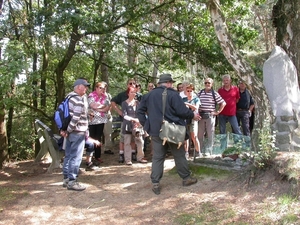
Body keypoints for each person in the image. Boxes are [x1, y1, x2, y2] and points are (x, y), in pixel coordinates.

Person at [137, 73, 200, 195]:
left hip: (155, 130)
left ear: (160, 83)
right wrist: (193, 115)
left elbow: (140, 112)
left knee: (157, 157)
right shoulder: (173, 94)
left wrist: (147, 125)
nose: (172, 85)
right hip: (173, 130)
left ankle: (155, 183)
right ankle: (186, 179)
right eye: (171, 83)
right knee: (179, 155)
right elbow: (182, 111)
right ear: (169, 83)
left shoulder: (148, 95)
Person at [61, 78, 90, 191]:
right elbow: (75, 118)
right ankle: (72, 181)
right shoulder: (78, 99)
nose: (86, 88)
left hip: (69, 132)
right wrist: (68, 130)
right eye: (85, 86)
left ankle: (66, 179)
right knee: (76, 157)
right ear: (79, 87)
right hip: (77, 132)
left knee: (68, 155)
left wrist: (65, 130)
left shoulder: (68, 97)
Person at [111, 78, 141, 163]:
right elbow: (112, 101)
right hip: (125, 121)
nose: (132, 84)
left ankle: (133, 153)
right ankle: (122, 154)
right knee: (124, 139)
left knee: (135, 139)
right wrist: (119, 111)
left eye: (133, 83)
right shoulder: (122, 95)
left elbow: (143, 108)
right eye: (130, 83)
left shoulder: (139, 95)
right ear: (127, 85)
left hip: (136, 122)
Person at [198, 78, 226, 155]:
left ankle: (209, 150)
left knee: (210, 134)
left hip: (210, 116)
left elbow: (223, 103)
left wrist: (218, 112)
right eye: (206, 83)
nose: (207, 84)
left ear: (212, 84)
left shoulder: (215, 93)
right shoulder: (200, 93)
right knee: (200, 134)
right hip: (200, 116)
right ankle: (200, 150)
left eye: (209, 83)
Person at [122, 86, 147, 165]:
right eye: (132, 92)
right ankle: (128, 160)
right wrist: (133, 120)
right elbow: (124, 115)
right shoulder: (124, 103)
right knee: (127, 142)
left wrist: (138, 121)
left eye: (134, 92)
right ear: (128, 93)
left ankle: (140, 157)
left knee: (140, 141)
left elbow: (141, 113)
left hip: (137, 125)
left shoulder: (138, 103)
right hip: (127, 125)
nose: (133, 94)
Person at [87, 82, 110, 163]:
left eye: (104, 88)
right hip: (92, 121)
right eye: (100, 88)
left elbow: (107, 108)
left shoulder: (106, 97)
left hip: (101, 120)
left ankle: (97, 156)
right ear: (96, 88)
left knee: (98, 138)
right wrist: (101, 107)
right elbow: (93, 105)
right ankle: (90, 156)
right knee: (91, 138)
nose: (102, 90)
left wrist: (99, 108)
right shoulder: (91, 96)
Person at [182, 84, 201, 158]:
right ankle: (186, 152)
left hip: (193, 120)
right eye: (188, 91)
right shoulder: (183, 99)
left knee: (194, 136)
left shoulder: (196, 99)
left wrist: (187, 104)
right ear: (186, 92)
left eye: (191, 90)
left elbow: (196, 107)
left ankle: (198, 152)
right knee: (185, 137)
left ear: (193, 91)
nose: (189, 92)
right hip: (185, 120)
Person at [102, 81, 114, 155]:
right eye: (102, 87)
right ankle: (95, 150)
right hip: (99, 116)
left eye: (105, 87)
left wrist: (109, 113)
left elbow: (111, 105)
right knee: (98, 133)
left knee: (108, 133)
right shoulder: (95, 96)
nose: (104, 88)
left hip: (108, 116)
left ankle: (107, 148)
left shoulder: (108, 95)